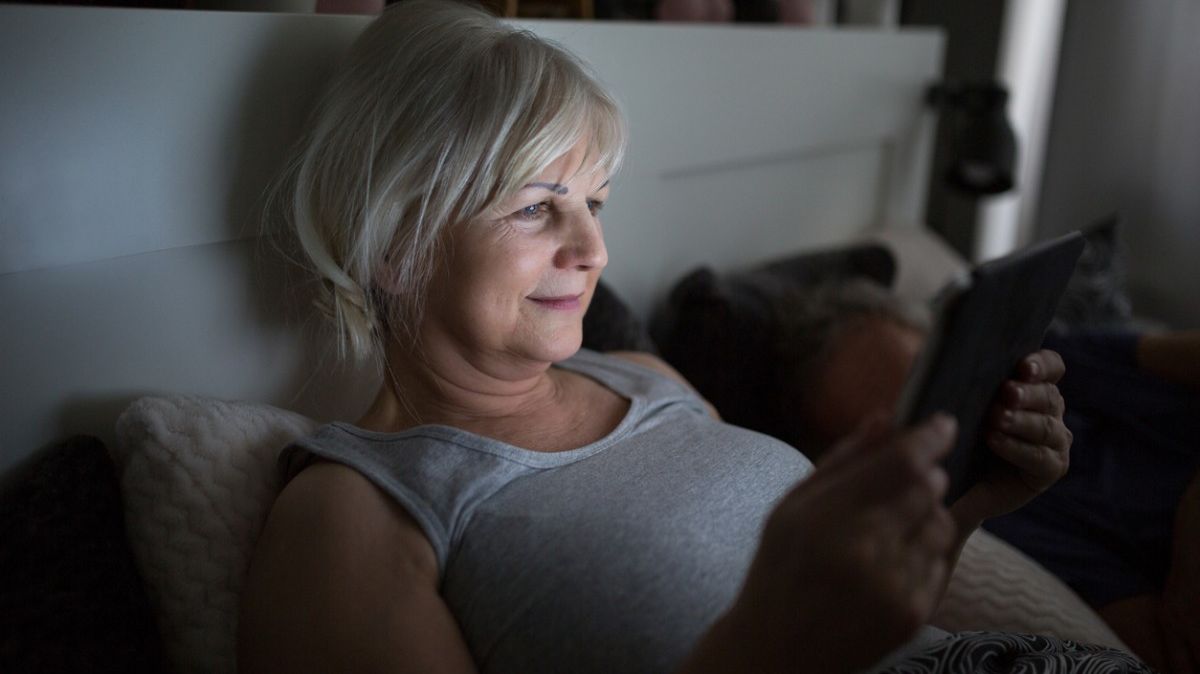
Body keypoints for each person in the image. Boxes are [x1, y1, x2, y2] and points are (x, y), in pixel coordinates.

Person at [236, 2, 1084, 672]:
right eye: (536, 206)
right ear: (395, 246)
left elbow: (868, 627)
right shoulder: (353, 513)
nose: (594, 250)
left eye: (593, 204)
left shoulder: (645, 376)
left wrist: (968, 505)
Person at [773, 279, 1200, 674]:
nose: (946, 425)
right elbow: (1170, 650)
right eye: (904, 429)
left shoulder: (1047, 364)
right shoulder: (995, 519)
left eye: (929, 382)